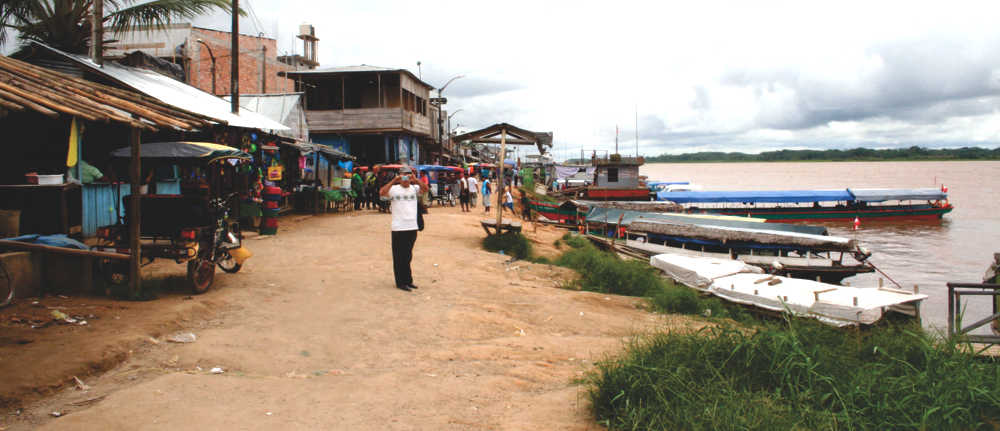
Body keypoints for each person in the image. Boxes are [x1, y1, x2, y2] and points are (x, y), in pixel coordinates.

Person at [379, 166, 428, 292]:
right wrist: (394, 180)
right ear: (399, 176)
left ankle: (408, 280)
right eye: (403, 175)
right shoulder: (394, 189)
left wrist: (415, 180)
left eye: (408, 175)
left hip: (412, 226)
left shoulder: (414, 188)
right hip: (398, 227)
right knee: (399, 256)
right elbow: (382, 193)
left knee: (408, 255)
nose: (406, 178)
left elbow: (426, 189)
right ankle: (400, 282)